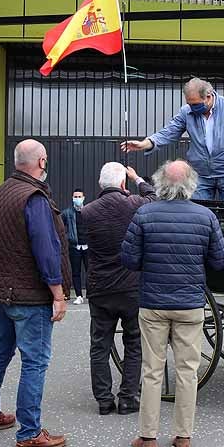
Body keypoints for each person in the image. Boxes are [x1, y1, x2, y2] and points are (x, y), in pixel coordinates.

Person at [121, 160, 224, 447]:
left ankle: (148, 437)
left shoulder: (144, 214)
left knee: (153, 371)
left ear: (159, 183)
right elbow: (219, 262)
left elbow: (129, 259)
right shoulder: (206, 217)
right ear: (191, 184)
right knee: (187, 372)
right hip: (190, 305)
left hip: (153, 303)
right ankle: (183, 436)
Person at [0, 139, 72, 447]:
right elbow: (46, 250)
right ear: (41, 162)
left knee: (0, 351)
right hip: (29, 296)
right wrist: (58, 293)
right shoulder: (34, 198)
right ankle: (29, 433)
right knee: (35, 361)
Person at [120, 77, 224, 241]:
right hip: (200, 175)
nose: (192, 107)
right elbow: (169, 132)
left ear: (208, 96)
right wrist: (145, 143)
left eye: (195, 103)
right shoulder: (187, 112)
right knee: (196, 219)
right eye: (189, 103)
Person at [81, 163, 157, 415]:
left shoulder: (87, 211)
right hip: (131, 286)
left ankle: (104, 400)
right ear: (123, 184)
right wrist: (138, 178)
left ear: (100, 185)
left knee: (99, 344)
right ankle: (128, 398)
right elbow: (154, 197)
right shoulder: (135, 204)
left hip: (100, 288)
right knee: (134, 342)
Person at [61, 188, 88, 304]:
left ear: (83, 198)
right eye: (75, 197)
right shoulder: (67, 213)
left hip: (88, 247)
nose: (77, 199)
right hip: (75, 247)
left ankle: (91, 294)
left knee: (90, 271)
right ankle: (78, 295)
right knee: (76, 272)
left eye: (79, 197)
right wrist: (68, 237)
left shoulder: (89, 211)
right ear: (72, 198)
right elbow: (59, 225)